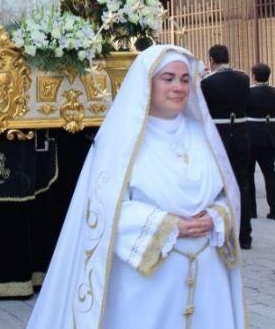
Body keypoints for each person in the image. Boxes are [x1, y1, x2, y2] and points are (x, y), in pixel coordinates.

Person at [27, 45, 245, 329]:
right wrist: (167, 225)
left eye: (184, 79)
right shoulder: (121, 141)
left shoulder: (203, 135)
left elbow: (227, 195)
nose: (178, 87)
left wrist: (216, 215)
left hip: (208, 278)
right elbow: (104, 210)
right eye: (168, 78)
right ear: (146, 82)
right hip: (147, 284)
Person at [200, 44, 252, 249]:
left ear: (211, 59)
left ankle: (225, 230)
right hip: (241, 134)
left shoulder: (208, 82)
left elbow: (203, 110)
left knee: (219, 185)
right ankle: (245, 234)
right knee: (243, 183)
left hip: (219, 135)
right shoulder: (244, 78)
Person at [246, 63, 275, 220]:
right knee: (270, 173)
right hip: (270, 136)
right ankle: (274, 209)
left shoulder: (248, 93)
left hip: (251, 135)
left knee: (248, 173)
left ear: (254, 76)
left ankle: (251, 211)